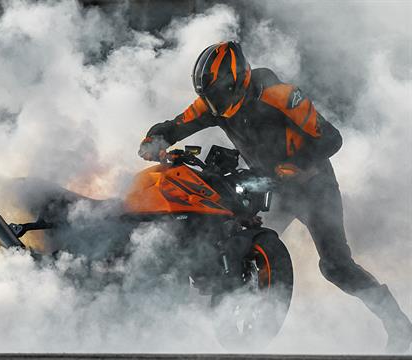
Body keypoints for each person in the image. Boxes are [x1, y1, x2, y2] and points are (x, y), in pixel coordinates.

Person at [138, 41, 412, 353]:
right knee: (235, 235)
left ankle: (398, 324)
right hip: (269, 186)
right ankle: (232, 310)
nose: (214, 105)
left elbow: (332, 138)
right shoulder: (214, 103)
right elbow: (175, 126)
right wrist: (153, 139)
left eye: (218, 95)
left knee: (336, 266)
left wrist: (294, 166)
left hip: (312, 185)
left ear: (238, 78)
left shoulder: (280, 95)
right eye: (209, 98)